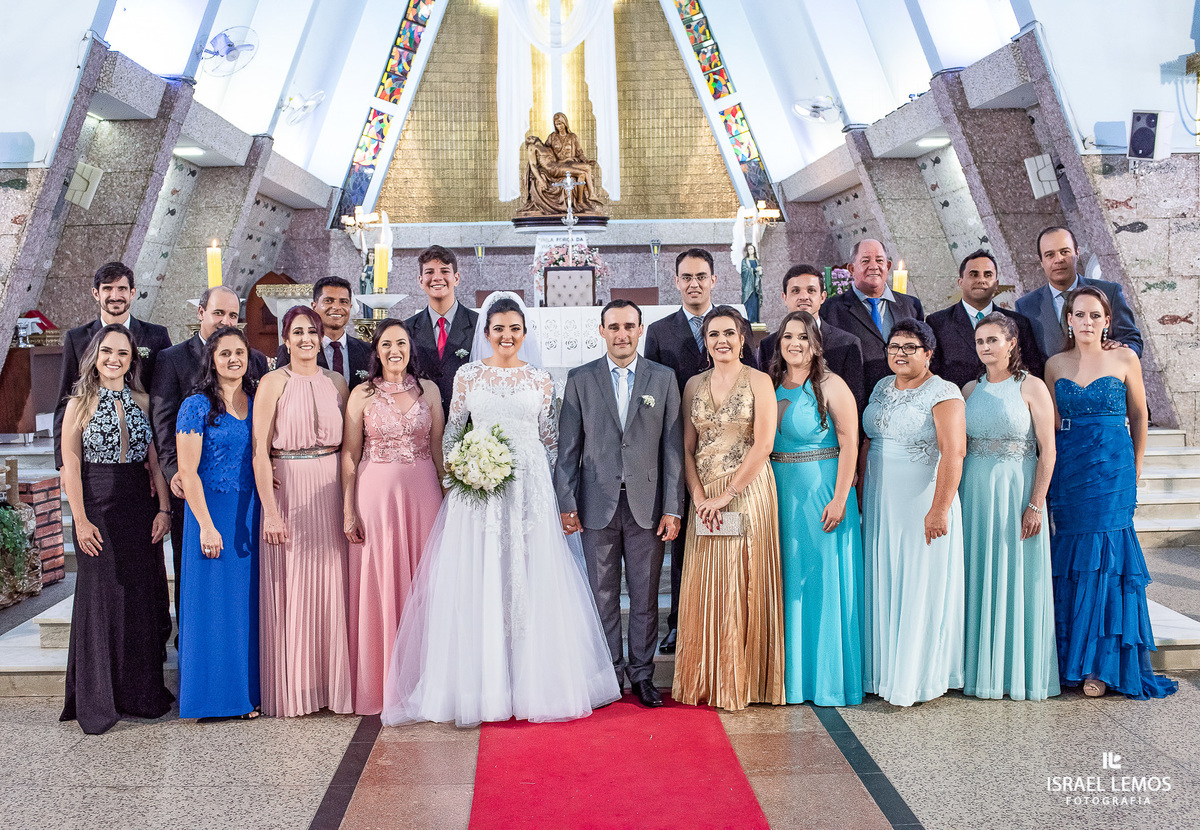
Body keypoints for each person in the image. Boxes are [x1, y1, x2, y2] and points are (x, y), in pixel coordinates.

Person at [382, 293, 619, 727]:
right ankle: (482, 684)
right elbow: (452, 433)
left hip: (529, 491)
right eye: (498, 329)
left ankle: (534, 682)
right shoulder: (469, 377)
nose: (506, 336)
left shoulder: (541, 380)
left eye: (514, 329)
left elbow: (551, 443)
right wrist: (464, 467)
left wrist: (553, 495)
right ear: (486, 334)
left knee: (529, 579)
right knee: (482, 577)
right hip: (480, 493)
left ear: (525, 333)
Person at [1045, 287, 1176, 699]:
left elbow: (1139, 415)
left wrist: (1135, 466)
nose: (1086, 322)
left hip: (1113, 468)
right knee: (1072, 563)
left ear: (1107, 321)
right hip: (1070, 470)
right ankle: (1072, 662)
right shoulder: (1053, 364)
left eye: (1094, 315)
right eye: (1079, 314)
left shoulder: (1125, 358)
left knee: (1107, 561)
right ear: (1068, 319)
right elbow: (1049, 426)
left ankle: (1102, 666)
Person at [554, 299, 685, 709]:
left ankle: (643, 674)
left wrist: (673, 506)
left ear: (640, 329)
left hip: (647, 505)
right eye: (614, 327)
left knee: (644, 595)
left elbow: (673, 448)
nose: (622, 334)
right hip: (596, 503)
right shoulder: (580, 379)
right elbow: (568, 447)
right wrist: (566, 501)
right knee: (602, 594)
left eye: (629, 326)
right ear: (602, 331)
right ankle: (609, 673)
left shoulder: (663, 379)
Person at [58, 325, 174, 733]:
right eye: (107, 351)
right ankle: (97, 699)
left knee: (138, 598)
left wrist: (163, 509)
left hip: (138, 508)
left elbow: (156, 463)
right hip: (97, 506)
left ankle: (138, 694)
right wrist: (80, 518)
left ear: (132, 359)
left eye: (122, 354)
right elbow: (70, 466)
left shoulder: (143, 401)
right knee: (101, 600)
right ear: (95, 355)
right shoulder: (78, 404)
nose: (114, 359)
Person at [644, 248, 755, 655]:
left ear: (713, 280)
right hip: (680, 450)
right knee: (683, 541)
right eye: (686, 277)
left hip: (730, 455)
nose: (694, 283)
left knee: (729, 541)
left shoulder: (734, 324)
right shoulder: (659, 331)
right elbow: (649, 391)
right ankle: (679, 623)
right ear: (676, 282)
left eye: (701, 276)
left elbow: (752, 378)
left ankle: (729, 621)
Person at [672, 306, 784, 711]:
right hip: (704, 496)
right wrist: (699, 496)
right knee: (705, 583)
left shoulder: (759, 381)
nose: (722, 340)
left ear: (742, 339)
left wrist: (726, 494)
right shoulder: (692, 385)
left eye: (729, 333)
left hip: (747, 490)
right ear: (706, 342)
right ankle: (706, 678)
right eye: (714, 334)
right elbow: (687, 446)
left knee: (739, 581)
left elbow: (764, 444)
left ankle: (742, 681)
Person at [253, 306, 354, 717]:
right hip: (289, 490)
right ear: (285, 338)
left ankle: (333, 684)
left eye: (312, 332)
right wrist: (271, 511)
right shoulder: (272, 383)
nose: (307, 339)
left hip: (330, 491)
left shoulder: (337, 382)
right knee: (294, 587)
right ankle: (297, 686)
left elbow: (351, 447)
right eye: (298, 333)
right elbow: (259, 453)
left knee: (333, 587)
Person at [151, 285, 270, 631]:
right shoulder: (172, 360)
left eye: (233, 316)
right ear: (201, 312)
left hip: (248, 500)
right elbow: (162, 420)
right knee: (202, 591)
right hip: (196, 489)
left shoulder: (257, 365)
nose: (225, 321)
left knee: (246, 598)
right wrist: (176, 473)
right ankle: (191, 648)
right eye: (219, 313)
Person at [342, 318, 445, 716]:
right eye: (386, 344)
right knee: (382, 581)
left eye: (400, 343)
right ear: (377, 351)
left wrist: (451, 495)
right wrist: (349, 510)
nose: (394, 351)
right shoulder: (361, 394)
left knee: (426, 582)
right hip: (376, 497)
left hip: (423, 495)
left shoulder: (429, 391)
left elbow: (436, 449)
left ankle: (425, 680)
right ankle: (382, 682)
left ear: (410, 348)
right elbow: (350, 454)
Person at [860, 320, 965, 707]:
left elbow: (954, 453)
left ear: (928, 353)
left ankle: (916, 676)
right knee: (886, 576)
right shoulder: (882, 387)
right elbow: (870, 440)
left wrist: (939, 509)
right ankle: (884, 670)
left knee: (918, 579)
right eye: (894, 346)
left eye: (909, 347)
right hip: (880, 498)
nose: (899, 353)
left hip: (922, 500)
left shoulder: (943, 392)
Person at [960, 313, 1059, 701]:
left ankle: (1014, 670)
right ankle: (975, 668)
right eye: (980, 341)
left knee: (1015, 574)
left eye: (993, 340)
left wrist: (1036, 504)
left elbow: (1048, 451)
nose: (986, 347)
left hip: (1017, 488)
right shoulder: (969, 389)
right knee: (978, 572)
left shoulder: (1031, 387)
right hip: (974, 491)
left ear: (1012, 342)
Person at [768, 311, 863, 707]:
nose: (795, 344)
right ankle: (790, 680)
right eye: (788, 336)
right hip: (780, 494)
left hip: (823, 493)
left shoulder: (831, 385)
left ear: (815, 344)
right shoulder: (770, 385)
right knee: (788, 584)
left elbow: (850, 444)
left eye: (803, 337)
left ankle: (827, 681)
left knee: (823, 583)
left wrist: (840, 498)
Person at [175, 327, 261, 720]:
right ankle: (212, 698)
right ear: (211, 359)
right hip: (210, 514)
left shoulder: (257, 399)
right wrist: (207, 526)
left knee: (245, 606)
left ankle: (247, 693)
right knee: (212, 606)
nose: (233, 360)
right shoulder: (196, 406)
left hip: (250, 511)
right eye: (224, 353)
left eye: (239, 352)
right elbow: (188, 473)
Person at [55, 261, 172, 469]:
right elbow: (66, 397)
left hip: (147, 450)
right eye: (108, 289)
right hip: (96, 454)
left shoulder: (156, 335)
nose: (115, 296)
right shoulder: (78, 339)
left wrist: (162, 461)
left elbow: (166, 398)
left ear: (132, 292)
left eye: (122, 289)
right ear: (95, 293)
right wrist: (63, 464)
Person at [1015, 227, 1142, 359]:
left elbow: (1133, 341)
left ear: (1077, 252)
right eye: (1049, 255)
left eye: (1064, 252)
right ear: (1041, 261)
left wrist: (1120, 349)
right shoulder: (1026, 306)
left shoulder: (1109, 292)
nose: (1058, 259)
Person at [820, 239, 924, 398]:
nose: (874, 266)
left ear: (888, 266)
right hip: (854, 399)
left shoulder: (911, 306)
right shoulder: (830, 310)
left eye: (880, 260)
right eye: (865, 261)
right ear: (851, 269)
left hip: (904, 399)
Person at [927, 250, 1045, 388]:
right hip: (958, 402)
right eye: (973, 274)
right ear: (960, 281)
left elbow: (1033, 368)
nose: (981, 280)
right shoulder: (937, 323)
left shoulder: (1019, 323)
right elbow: (931, 372)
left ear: (996, 284)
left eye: (987, 275)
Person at [758, 264, 865, 412]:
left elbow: (856, 402)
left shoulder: (847, 344)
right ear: (785, 297)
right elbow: (764, 400)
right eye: (795, 291)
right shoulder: (768, 345)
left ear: (822, 297)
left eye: (811, 290)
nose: (803, 297)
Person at [404, 246, 478, 418]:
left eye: (445, 271)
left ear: (456, 278)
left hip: (468, 424)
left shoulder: (479, 325)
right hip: (421, 422)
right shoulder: (406, 329)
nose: (437, 278)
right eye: (429, 272)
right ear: (421, 281)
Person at [276, 276, 372, 389]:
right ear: (314, 306)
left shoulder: (367, 350)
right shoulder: (293, 349)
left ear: (350, 307)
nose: (336, 307)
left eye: (343, 302)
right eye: (328, 301)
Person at [740, 243, 763, 324]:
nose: (750, 250)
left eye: (751, 249)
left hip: (755, 286)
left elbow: (759, 273)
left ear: (754, 250)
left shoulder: (757, 261)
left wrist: (760, 272)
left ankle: (755, 320)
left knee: (755, 303)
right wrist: (754, 269)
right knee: (748, 302)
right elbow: (744, 271)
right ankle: (747, 320)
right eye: (749, 249)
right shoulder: (745, 261)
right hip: (748, 286)